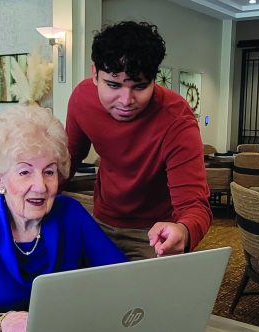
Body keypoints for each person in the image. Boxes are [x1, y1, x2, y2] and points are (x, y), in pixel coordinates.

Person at [0, 105, 128, 332]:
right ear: (0, 178)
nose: (40, 186)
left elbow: (122, 277)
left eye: (49, 172)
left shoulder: (70, 214)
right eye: (24, 171)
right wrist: (2, 323)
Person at [66, 21, 211, 260]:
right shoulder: (82, 98)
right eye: (113, 84)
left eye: (140, 86)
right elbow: (68, 158)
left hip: (153, 232)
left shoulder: (177, 119)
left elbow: (194, 206)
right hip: (99, 221)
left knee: (145, 298)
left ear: (154, 80)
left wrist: (183, 230)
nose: (126, 100)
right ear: (94, 74)